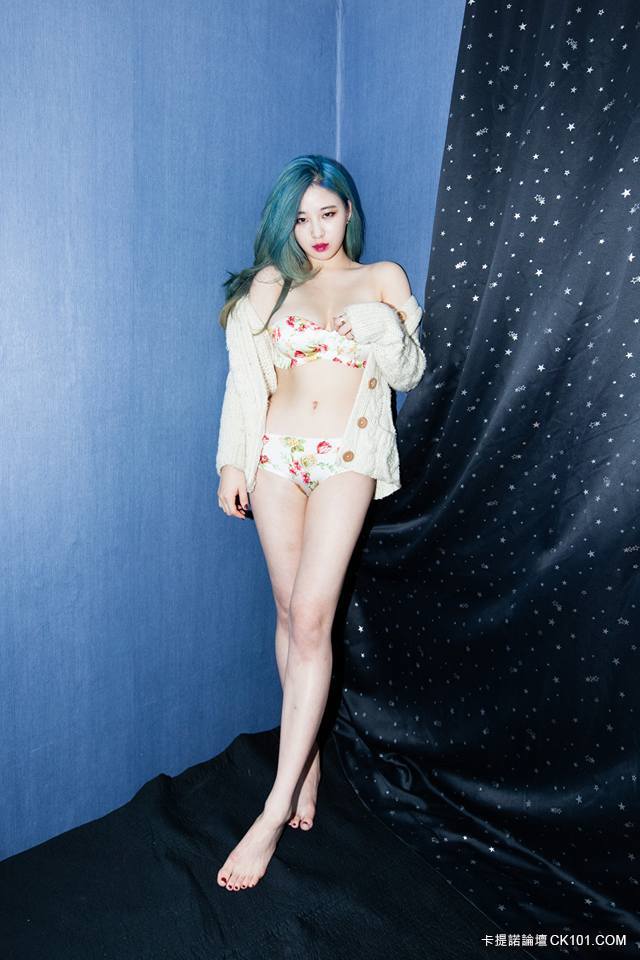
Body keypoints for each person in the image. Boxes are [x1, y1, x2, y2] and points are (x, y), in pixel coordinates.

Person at [214, 154, 426, 891]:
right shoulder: (274, 286)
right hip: (275, 456)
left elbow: (407, 372)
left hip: (347, 458)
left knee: (312, 616)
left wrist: (381, 326)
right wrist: (232, 463)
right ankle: (301, 768)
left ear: (348, 211)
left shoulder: (383, 278)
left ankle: (272, 812)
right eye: (300, 219)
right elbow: (246, 383)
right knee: (287, 612)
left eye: (327, 213)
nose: (315, 231)